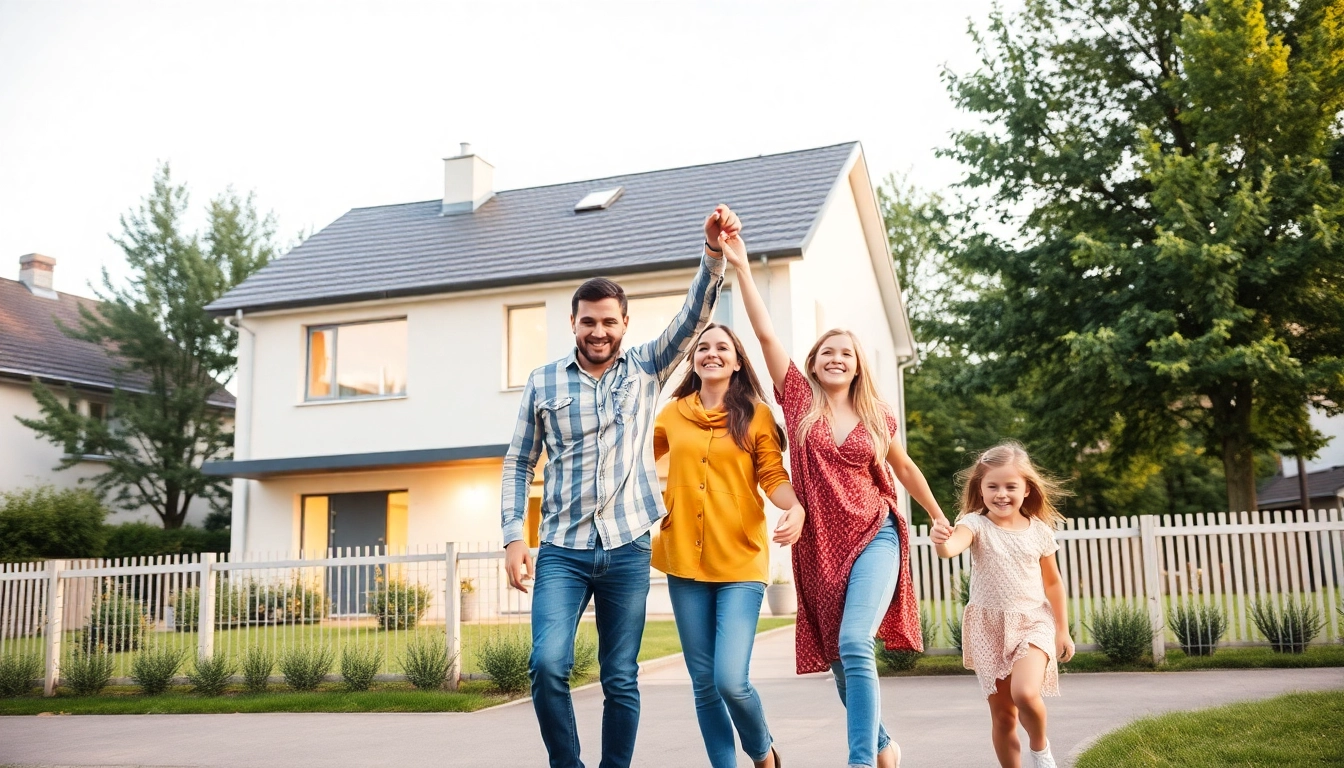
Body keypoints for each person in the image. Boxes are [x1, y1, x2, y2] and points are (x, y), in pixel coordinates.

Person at [500, 205, 736, 768]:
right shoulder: (543, 381)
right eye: (588, 321)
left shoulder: (647, 368)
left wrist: (711, 253)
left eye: (609, 321)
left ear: (624, 325)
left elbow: (693, 315)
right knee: (548, 665)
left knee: (621, 678)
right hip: (561, 549)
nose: (599, 331)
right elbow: (517, 463)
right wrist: (513, 536)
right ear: (574, 324)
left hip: (627, 547)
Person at [720, 230, 951, 768]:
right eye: (828, 352)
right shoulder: (798, 398)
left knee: (854, 643)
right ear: (814, 361)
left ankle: (860, 761)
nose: (837, 358)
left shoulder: (877, 415)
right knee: (845, 664)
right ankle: (884, 743)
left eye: (846, 353)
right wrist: (742, 269)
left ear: (858, 364)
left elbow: (905, 468)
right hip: (820, 547)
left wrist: (938, 518)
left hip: (875, 533)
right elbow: (765, 332)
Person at [651, 321, 806, 768]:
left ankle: (762, 751)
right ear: (693, 359)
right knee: (703, 683)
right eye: (703, 347)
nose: (711, 353)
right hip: (683, 559)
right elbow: (636, 464)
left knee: (730, 680)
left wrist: (792, 506)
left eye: (723, 347)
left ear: (738, 361)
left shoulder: (756, 415)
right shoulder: (671, 414)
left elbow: (773, 476)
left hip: (740, 559)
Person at [930, 441, 1074, 768]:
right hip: (988, 627)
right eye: (992, 486)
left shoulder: (1038, 531)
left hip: (1033, 622)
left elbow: (1053, 582)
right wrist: (941, 541)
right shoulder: (975, 524)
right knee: (1004, 716)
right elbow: (952, 546)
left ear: (1027, 490)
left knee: (1025, 694)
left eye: (1011, 486)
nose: (1001, 494)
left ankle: (1040, 749)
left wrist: (1062, 630)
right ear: (980, 490)